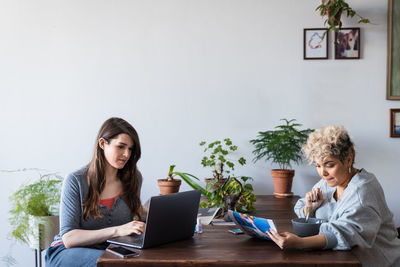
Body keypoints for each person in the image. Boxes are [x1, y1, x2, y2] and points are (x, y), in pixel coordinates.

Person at [266, 125, 400, 267]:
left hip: (377, 262)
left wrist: (300, 243)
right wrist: (310, 209)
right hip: (341, 258)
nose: (322, 172)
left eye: (329, 165)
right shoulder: (329, 182)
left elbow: (347, 234)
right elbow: (302, 206)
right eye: (317, 165)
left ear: (348, 160)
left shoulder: (363, 191)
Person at [46, 117, 146, 267]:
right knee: (114, 263)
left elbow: (135, 213)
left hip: (110, 251)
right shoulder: (76, 180)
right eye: (121, 147)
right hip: (67, 251)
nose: (126, 154)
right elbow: (69, 238)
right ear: (102, 144)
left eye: (131, 149)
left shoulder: (134, 179)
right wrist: (117, 230)